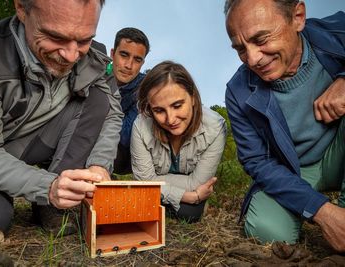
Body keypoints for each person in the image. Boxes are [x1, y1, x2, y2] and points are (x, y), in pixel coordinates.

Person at [0, 0, 123, 240]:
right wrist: (46, 186)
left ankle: (51, 206)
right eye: (55, 36)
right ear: (21, 8)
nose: (71, 56)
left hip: (31, 144)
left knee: (101, 98)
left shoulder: (97, 59)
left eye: (83, 40)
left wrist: (99, 165)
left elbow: (111, 113)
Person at [224, 0, 345, 251]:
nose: (252, 59)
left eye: (261, 39)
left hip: (339, 153)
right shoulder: (237, 91)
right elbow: (257, 162)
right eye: (240, 48)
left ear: (297, 17)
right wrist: (322, 211)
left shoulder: (338, 30)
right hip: (293, 172)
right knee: (266, 230)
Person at [131, 61, 226, 223]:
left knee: (190, 213)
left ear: (194, 98)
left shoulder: (215, 127)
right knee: (187, 207)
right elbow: (143, 182)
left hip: (157, 190)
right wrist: (191, 196)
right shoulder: (140, 126)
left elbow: (197, 182)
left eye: (177, 105)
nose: (170, 119)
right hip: (186, 194)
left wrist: (154, 182)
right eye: (159, 110)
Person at [106, 27, 150, 174]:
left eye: (137, 60)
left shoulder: (145, 88)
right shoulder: (96, 73)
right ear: (113, 54)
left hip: (123, 158)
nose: (128, 65)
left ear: (142, 63)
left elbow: (125, 137)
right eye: (124, 55)